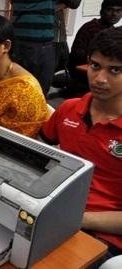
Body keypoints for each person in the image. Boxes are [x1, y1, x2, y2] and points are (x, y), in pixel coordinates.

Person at [40, 26, 122, 265]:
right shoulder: (69, 108)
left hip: (101, 235)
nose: (99, 79)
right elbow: (39, 150)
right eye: (95, 66)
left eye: (115, 70)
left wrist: (77, 219)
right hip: (53, 211)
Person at [66, 0, 122, 97]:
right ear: (101, 11)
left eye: (118, 11)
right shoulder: (90, 27)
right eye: (110, 10)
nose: (114, 14)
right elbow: (77, 54)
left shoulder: (113, 31)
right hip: (83, 74)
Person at [11, 0, 56, 96]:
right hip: (31, 43)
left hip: (25, 41)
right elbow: (74, 3)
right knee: (31, 92)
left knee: (21, 90)